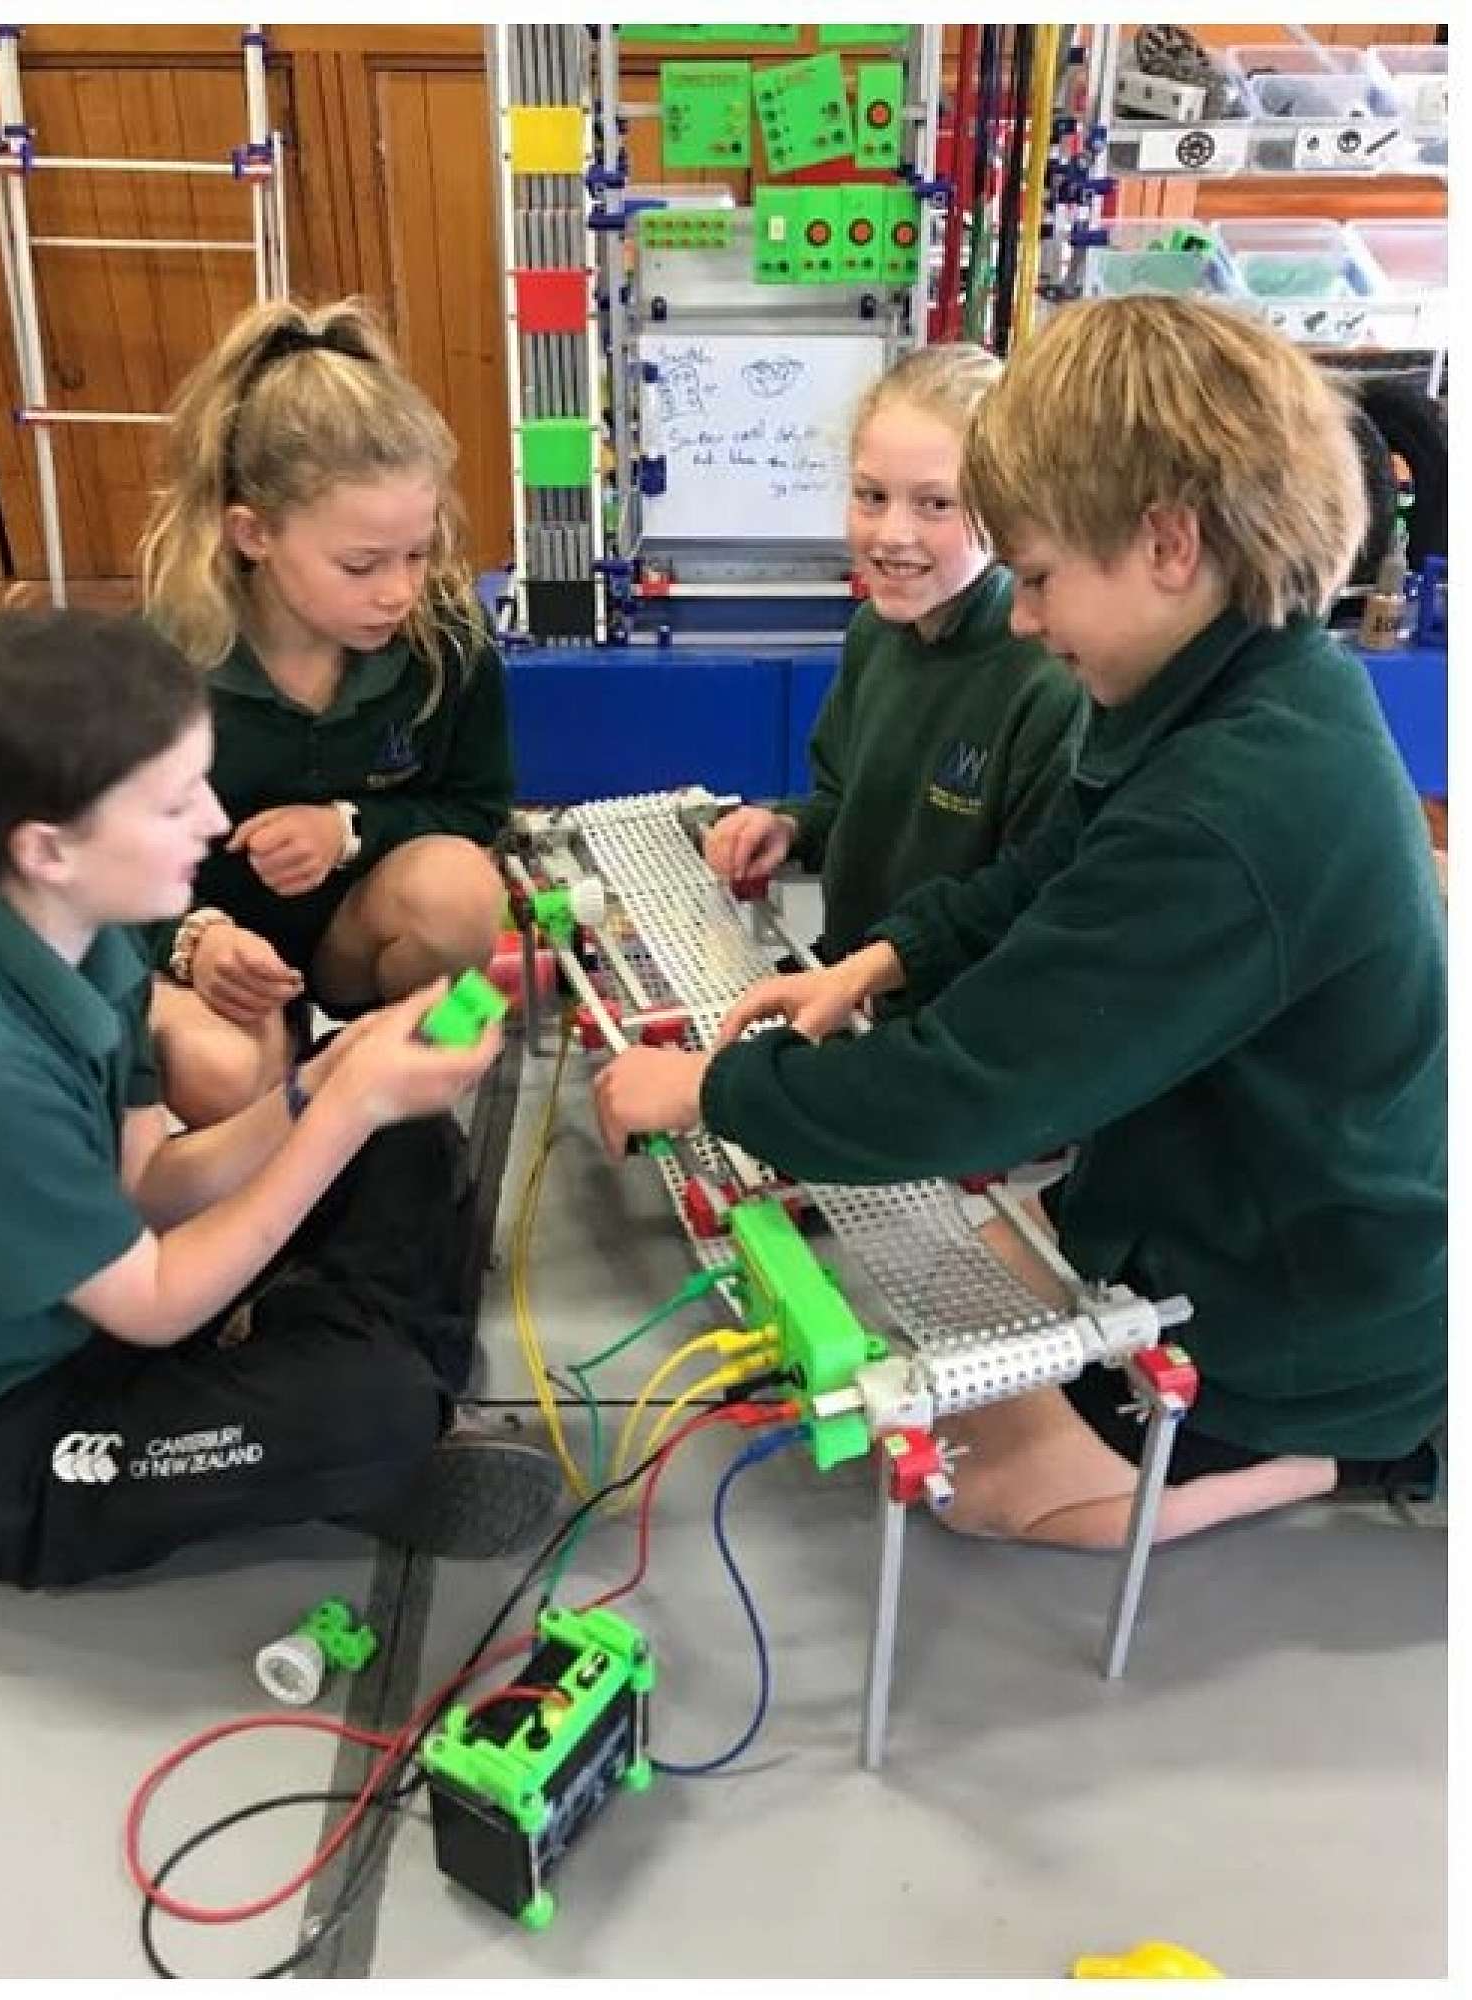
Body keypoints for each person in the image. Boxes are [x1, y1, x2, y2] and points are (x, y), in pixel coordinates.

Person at [593, 297, 1446, 1550]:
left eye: (1039, 577)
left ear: (1167, 543)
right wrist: (883, 958)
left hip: (1298, 1297)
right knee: (959, 1291)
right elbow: (1058, 861)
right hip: (1194, 1185)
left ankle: (1364, 1447)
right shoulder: (1223, 674)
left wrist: (709, 1091)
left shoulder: (1235, 805)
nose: (1028, 619)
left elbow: (970, 1090)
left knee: (983, 1494)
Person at [0, 609, 558, 1590]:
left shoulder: (88, 926)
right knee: (369, 1405)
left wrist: (322, 1084)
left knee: (404, 1140)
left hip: (99, 1300)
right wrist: (340, 1110)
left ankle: (348, 1397)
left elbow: (146, 1184)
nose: (214, 822)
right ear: (47, 848)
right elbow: (152, 1302)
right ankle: (372, 1412)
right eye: (175, 804)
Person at [138, 296, 513, 1128]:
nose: (399, 591)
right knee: (223, 1078)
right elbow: (91, 875)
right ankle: (286, 1102)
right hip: (224, 956)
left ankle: (419, 1093)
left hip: (355, 939)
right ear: (253, 534)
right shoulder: (157, 664)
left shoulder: (449, 640)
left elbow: (480, 812)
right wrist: (192, 941)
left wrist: (346, 829)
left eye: (418, 553)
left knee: (464, 894)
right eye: (360, 564)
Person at [702, 344, 1085, 962]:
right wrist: (790, 827)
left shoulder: (1049, 680)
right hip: (850, 976)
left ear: (1007, 508)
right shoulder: (874, 634)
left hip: (950, 1004)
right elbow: (841, 800)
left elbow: (1030, 914)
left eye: (936, 504)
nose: (892, 535)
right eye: (871, 496)